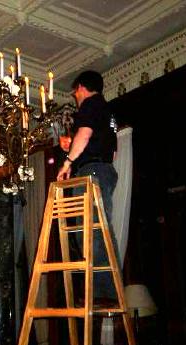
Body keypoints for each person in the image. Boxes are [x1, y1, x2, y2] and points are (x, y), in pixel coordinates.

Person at [56, 70, 120, 302]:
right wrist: (73, 147)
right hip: (103, 170)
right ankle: (108, 290)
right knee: (99, 228)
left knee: (89, 230)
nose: (75, 96)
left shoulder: (90, 104)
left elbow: (84, 134)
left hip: (92, 171)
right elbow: (111, 150)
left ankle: (102, 292)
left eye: (75, 92)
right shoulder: (107, 110)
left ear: (81, 87)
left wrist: (68, 162)